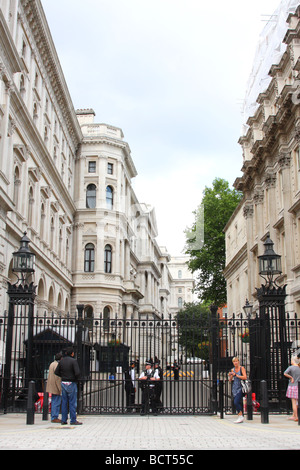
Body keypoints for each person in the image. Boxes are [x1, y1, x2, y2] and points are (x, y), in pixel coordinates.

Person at [54, 347, 82, 425]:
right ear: (72, 353)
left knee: (64, 402)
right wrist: (77, 379)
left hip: (63, 382)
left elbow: (56, 372)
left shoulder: (62, 361)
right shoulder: (73, 361)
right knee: (72, 402)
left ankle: (64, 420)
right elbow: (77, 373)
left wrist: (63, 376)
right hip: (71, 383)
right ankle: (73, 420)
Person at [228, 356, 247, 423]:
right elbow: (230, 380)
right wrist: (230, 375)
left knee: (236, 402)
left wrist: (236, 375)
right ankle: (240, 416)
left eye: (236, 361)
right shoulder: (233, 370)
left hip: (241, 387)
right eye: (234, 361)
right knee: (237, 402)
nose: (235, 363)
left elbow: (245, 377)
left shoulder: (242, 368)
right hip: (235, 388)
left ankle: (240, 416)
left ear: (238, 362)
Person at [46, 352, 62, 423]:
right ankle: (54, 417)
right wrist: (60, 388)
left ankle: (53, 416)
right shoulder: (57, 365)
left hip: (51, 385)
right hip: (55, 386)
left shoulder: (52, 363)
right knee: (56, 402)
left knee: (54, 401)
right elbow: (57, 378)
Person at [284, 356, 300, 421]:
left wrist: (291, 377)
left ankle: (296, 416)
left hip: (292, 385)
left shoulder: (291, 367)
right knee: (298, 402)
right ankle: (294, 415)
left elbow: (285, 373)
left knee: (293, 402)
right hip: (298, 386)